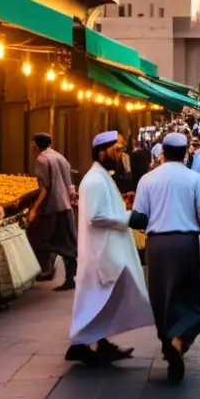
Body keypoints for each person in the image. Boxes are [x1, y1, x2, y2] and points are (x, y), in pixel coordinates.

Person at [130, 133, 200, 382]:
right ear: (185, 153)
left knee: (161, 298)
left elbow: (138, 219)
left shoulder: (147, 180)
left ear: (163, 153)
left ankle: (170, 341)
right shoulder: (193, 179)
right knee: (189, 297)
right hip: (185, 245)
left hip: (157, 246)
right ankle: (179, 340)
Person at [68, 131, 152, 366]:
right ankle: (82, 344)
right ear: (102, 151)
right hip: (101, 252)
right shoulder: (95, 180)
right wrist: (129, 217)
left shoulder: (101, 176)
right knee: (98, 300)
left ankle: (96, 344)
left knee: (102, 300)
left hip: (106, 249)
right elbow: (97, 215)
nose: (120, 154)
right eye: (117, 149)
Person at [26, 133, 78, 291]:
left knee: (41, 238)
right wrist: (72, 198)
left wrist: (34, 209)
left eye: (33, 144)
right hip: (65, 206)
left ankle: (47, 270)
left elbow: (45, 187)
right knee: (67, 241)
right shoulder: (59, 157)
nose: (31, 147)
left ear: (37, 145)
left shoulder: (42, 159)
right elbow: (69, 182)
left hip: (53, 207)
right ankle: (69, 276)